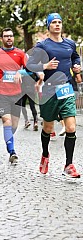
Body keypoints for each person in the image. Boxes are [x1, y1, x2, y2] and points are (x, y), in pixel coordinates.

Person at [27, 13, 81, 178]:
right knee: (48, 128)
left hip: (66, 88)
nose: (57, 25)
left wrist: (77, 65)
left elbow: (75, 57)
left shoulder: (70, 44)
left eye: (59, 22)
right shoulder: (42, 45)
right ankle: (45, 155)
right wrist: (46, 66)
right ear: (48, 26)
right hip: (49, 90)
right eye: (54, 22)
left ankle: (69, 165)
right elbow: (31, 65)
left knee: (71, 127)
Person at [0, 27, 27, 164]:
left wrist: (21, 73)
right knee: (6, 122)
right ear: (1, 39)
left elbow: (30, 70)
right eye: (6, 36)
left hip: (17, 93)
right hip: (2, 93)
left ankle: (8, 139)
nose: (9, 38)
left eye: (11, 36)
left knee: (14, 125)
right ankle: (12, 151)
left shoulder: (20, 54)